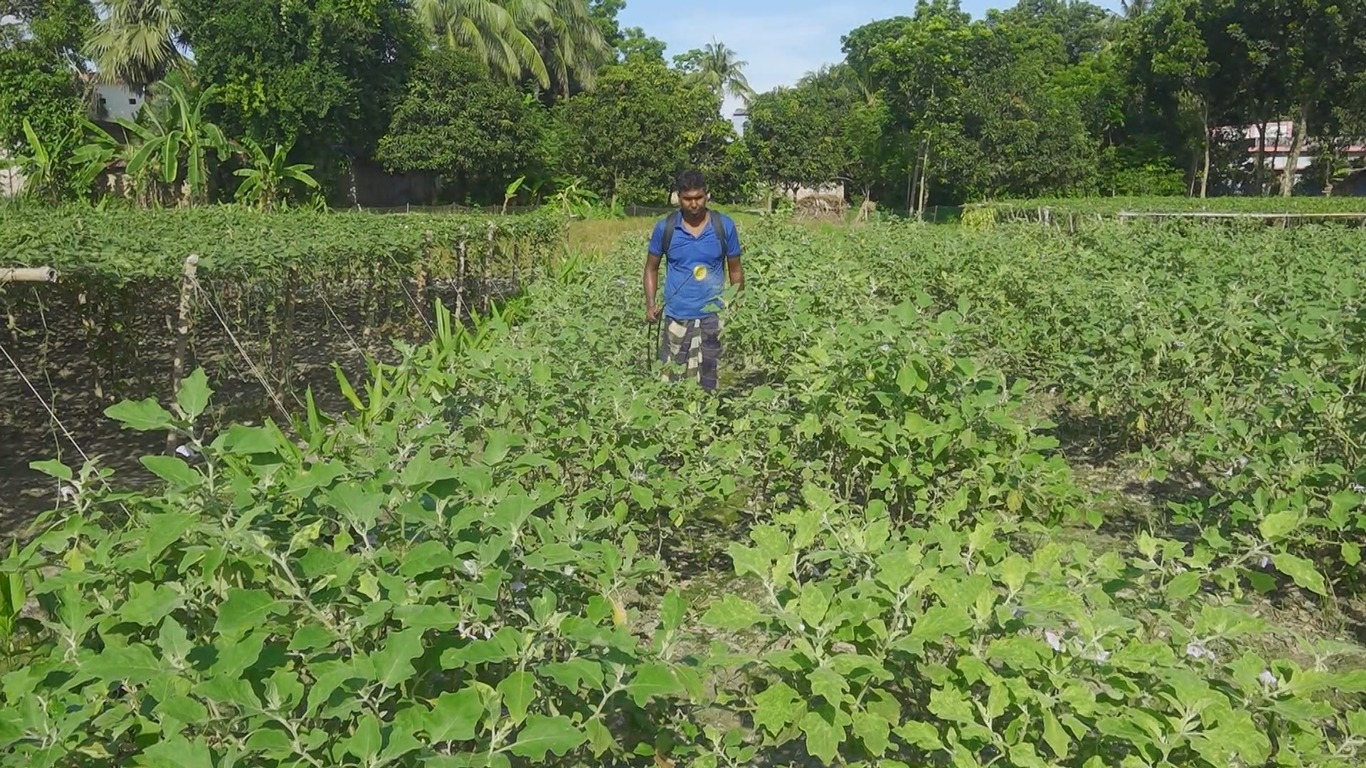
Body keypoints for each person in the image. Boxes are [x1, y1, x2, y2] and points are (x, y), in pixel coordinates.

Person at [644, 170, 744, 391]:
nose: (694, 204)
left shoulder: (723, 226)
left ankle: (708, 422)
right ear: (678, 198)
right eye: (687, 199)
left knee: (710, 379)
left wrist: (737, 306)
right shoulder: (666, 228)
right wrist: (651, 304)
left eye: (698, 197)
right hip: (677, 316)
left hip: (713, 316)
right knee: (671, 379)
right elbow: (651, 268)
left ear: (707, 195)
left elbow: (735, 270)